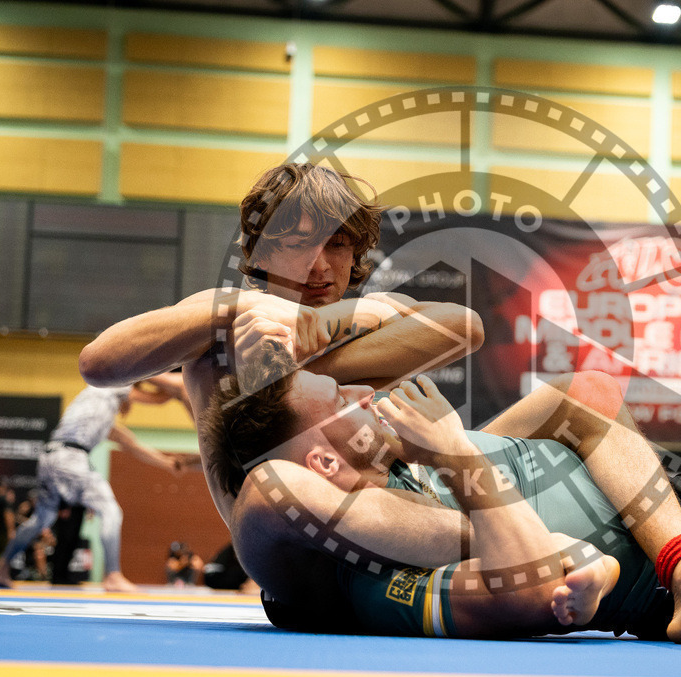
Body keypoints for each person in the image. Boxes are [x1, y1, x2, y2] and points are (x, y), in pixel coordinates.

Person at [207, 352, 681, 650]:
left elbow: (580, 406)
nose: (359, 392)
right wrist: (458, 453)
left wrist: (453, 447)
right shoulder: (374, 576)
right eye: (337, 399)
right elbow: (267, 495)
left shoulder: (411, 456)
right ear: (318, 459)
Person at [78, 163, 484, 528]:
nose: (320, 265)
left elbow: (466, 328)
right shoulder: (224, 317)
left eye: (338, 244)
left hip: (402, 518)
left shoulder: (370, 311)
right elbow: (98, 364)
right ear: (262, 250)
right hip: (292, 541)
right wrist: (247, 303)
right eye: (299, 244)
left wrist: (319, 327)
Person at [0, 377, 188, 591]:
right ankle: (112, 575)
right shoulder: (113, 384)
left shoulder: (96, 408)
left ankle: (1, 568)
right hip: (70, 459)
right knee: (111, 511)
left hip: (51, 456)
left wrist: (167, 463)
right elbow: (158, 398)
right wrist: (178, 386)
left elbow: (130, 444)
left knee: (42, 519)